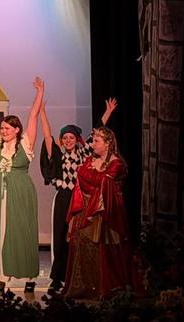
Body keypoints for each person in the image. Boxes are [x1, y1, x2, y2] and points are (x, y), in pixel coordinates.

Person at [39, 98, 117, 290]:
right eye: (65, 138)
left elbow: (97, 132)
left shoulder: (83, 154)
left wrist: (107, 113)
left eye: (71, 138)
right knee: (59, 236)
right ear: (61, 141)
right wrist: (42, 112)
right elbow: (47, 136)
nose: (68, 141)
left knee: (76, 238)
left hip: (80, 198)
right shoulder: (58, 155)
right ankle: (57, 277)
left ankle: (76, 276)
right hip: (63, 198)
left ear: (76, 140)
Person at [0, 77, 44, 293]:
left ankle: (30, 275)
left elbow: (33, 116)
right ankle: (1, 276)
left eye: (7, 128)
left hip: (20, 192)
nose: (3, 131)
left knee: (22, 231)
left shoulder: (26, 143)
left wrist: (39, 92)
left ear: (17, 129)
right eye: (2, 128)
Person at [63, 126, 141, 299]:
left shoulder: (116, 164)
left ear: (108, 144)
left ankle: (107, 288)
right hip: (87, 210)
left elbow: (101, 181)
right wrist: (89, 176)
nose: (93, 145)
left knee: (106, 249)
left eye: (97, 141)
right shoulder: (91, 160)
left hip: (107, 212)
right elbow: (84, 178)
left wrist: (87, 174)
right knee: (83, 245)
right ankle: (87, 286)